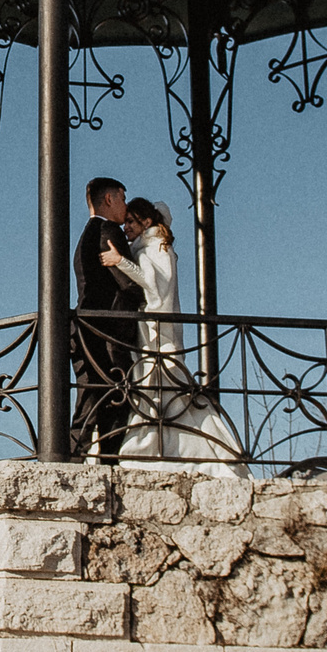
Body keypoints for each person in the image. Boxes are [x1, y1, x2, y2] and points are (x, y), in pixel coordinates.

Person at [101, 197, 246, 474]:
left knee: (161, 388)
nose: (126, 227)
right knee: (154, 388)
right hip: (147, 330)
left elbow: (155, 285)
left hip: (158, 332)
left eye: (131, 221)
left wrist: (121, 262)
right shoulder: (146, 245)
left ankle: (163, 450)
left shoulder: (158, 246)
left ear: (147, 222)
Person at [71, 176, 142, 458]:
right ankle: (106, 464)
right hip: (108, 335)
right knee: (115, 400)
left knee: (89, 402)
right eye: (123, 199)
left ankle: (73, 460)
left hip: (87, 332)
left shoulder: (87, 233)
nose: (125, 206)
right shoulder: (108, 231)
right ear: (110, 199)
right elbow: (129, 285)